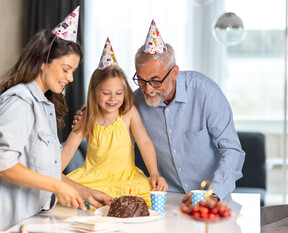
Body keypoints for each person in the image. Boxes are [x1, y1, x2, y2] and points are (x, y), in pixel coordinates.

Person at [0, 7, 111, 233]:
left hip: (28, 221)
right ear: (43, 61)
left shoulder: (44, 106)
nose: (71, 78)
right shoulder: (19, 103)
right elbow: (2, 164)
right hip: (4, 225)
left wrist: (84, 192)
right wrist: (56, 187)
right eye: (66, 69)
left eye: (73, 71)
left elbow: (45, 170)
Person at [74, 20, 245, 205]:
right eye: (140, 80)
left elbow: (233, 150)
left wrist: (214, 193)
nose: (147, 90)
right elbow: (107, 114)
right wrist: (86, 115)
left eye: (156, 80)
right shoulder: (135, 102)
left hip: (212, 196)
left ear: (174, 73)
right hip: (168, 196)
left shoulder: (205, 93)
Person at [62, 38, 167, 207]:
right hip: (94, 179)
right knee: (71, 191)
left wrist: (154, 173)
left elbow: (145, 143)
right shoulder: (87, 116)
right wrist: (54, 176)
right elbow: (67, 151)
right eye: (106, 93)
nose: (113, 98)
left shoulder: (129, 113)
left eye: (119, 93)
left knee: (150, 190)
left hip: (125, 178)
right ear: (94, 92)